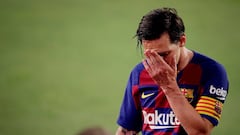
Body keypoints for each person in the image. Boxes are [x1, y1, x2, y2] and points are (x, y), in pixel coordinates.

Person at [115, 7, 229, 135]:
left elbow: (200, 132)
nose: (158, 63)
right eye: (150, 55)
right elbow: (127, 130)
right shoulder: (139, 72)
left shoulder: (211, 72)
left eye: (164, 54)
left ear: (182, 41)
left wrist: (168, 86)